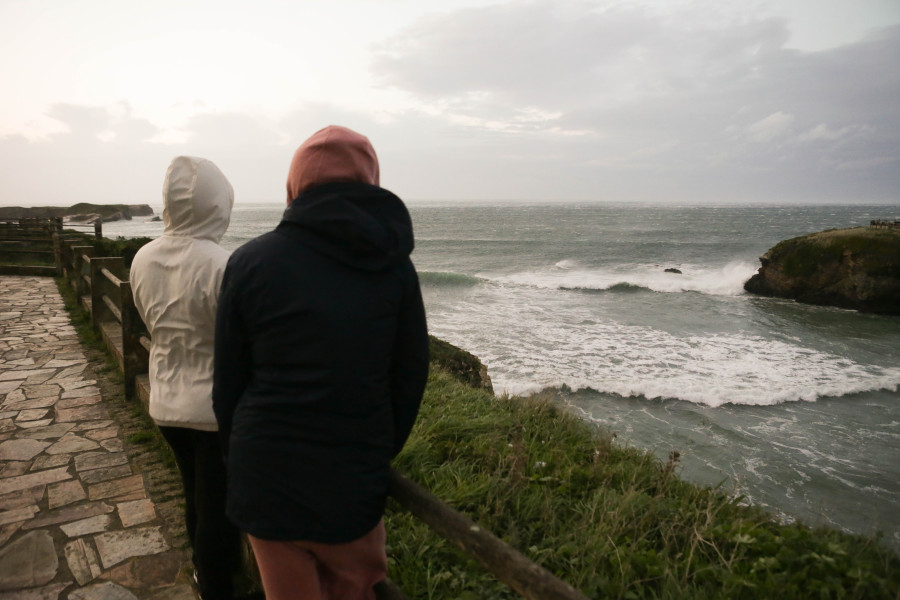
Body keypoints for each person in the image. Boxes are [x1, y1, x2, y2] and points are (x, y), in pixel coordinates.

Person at [213, 125, 429, 600]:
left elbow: (228, 382)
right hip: (350, 478)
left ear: (294, 187)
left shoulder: (251, 262)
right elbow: (410, 376)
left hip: (264, 472)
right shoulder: (393, 267)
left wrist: (242, 456)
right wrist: (375, 451)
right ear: (370, 181)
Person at [131, 156, 243, 600]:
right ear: (219, 203)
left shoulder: (143, 258)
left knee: (193, 491)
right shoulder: (222, 263)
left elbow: (149, 321)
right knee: (216, 505)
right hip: (213, 408)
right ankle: (217, 586)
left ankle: (205, 573)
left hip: (165, 399)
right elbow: (239, 338)